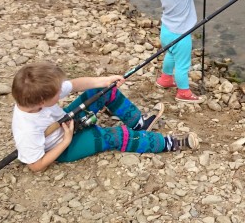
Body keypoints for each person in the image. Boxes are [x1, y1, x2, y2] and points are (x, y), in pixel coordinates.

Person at [11, 62, 198, 172]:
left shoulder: (37, 97)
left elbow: (75, 85)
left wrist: (105, 81)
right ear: (42, 101)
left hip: (65, 121)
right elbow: (35, 166)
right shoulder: (27, 130)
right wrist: (66, 141)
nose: (62, 90)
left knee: (103, 91)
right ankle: (168, 143)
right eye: (58, 91)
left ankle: (139, 123)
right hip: (63, 146)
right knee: (114, 136)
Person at [149, 0, 219, 103]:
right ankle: (183, 93)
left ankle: (165, 79)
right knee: (182, 65)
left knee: (171, 55)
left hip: (166, 30)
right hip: (180, 35)